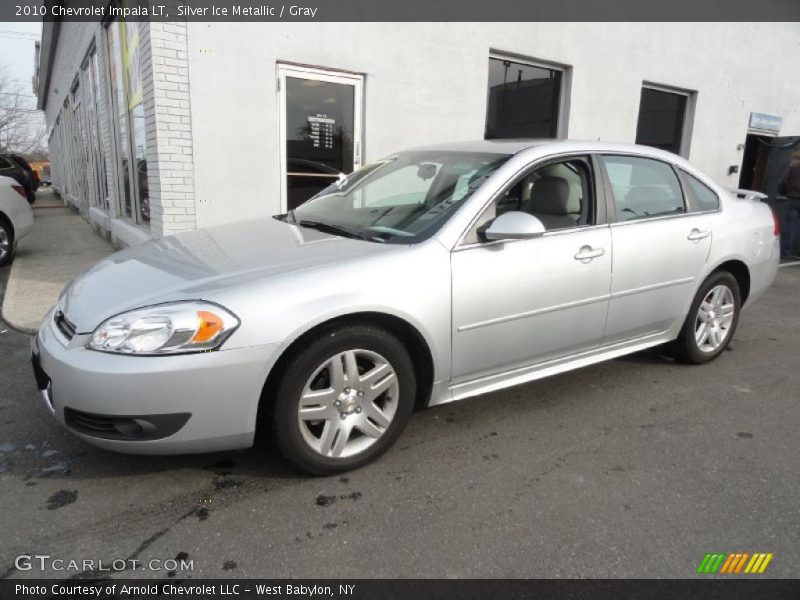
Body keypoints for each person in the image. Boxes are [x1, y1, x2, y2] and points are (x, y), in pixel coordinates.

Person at [778, 150, 800, 259]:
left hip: (792, 198)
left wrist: (782, 192)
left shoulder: (793, 167)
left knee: (789, 226)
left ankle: (785, 252)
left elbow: (782, 182)